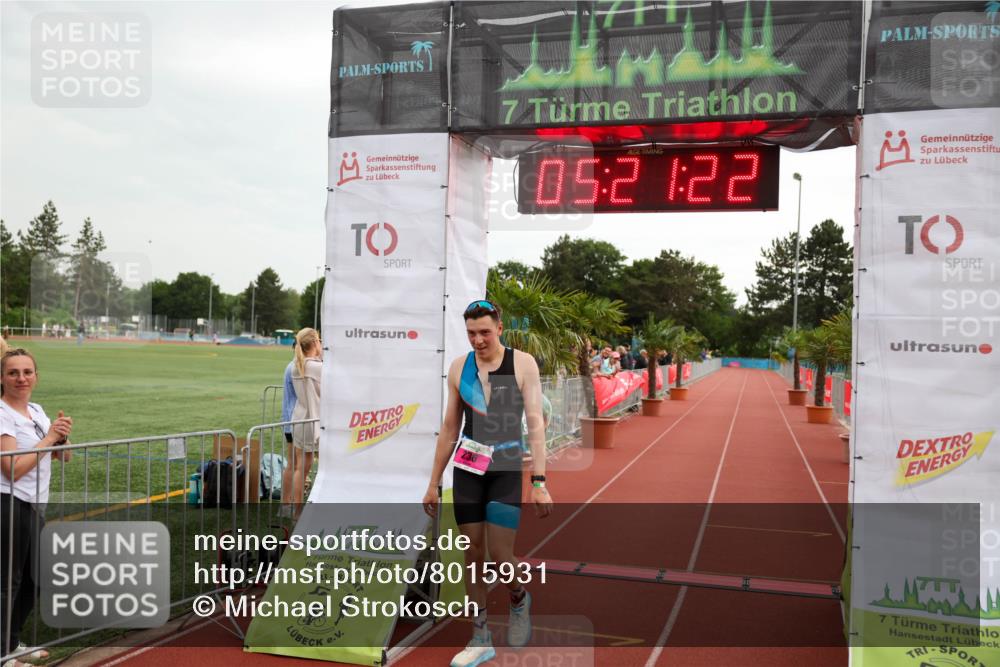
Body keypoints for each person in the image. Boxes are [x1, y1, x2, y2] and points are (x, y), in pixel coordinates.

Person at [423, 299, 551, 667]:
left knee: (500, 555)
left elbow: (536, 423)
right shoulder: (459, 368)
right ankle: (480, 635)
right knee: (472, 552)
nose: (477, 340)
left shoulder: (522, 364)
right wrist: (434, 481)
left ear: (499, 328)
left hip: (506, 466)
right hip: (468, 467)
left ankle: (518, 596)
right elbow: (450, 427)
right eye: (471, 333)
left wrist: (539, 481)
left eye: (484, 332)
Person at [1, 349, 73, 665]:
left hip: (33, 505)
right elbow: (12, 468)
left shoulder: (37, 410)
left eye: (27, 371)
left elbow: (63, 457)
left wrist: (62, 438)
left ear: (36, 376)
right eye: (13, 372)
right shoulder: (2, 413)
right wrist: (48, 441)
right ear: (2, 378)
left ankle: (10, 643)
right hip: (8, 502)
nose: (21, 378)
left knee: (36, 579)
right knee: (8, 582)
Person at [283, 329, 321, 512]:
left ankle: (297, 511)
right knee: (308, 467)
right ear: (314, 343)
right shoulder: (315, 366)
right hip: (314, 420)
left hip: (300, 419)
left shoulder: (297, 365)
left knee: (300, 468)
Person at [278, 341, 298, 510]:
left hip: (292, 420)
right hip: (294, 421)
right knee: (294, 465)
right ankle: (286, 504)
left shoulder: (294, 366)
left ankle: (288, 502)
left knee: (295, 465)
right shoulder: (294, 367)